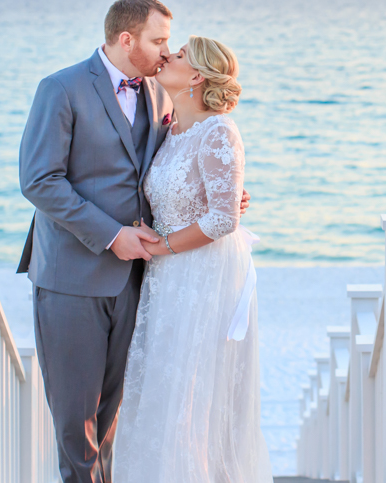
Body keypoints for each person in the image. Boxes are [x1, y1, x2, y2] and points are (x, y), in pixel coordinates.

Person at [17, 0, 250, 483]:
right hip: (73, 278)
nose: (166, 53)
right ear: (127, 40)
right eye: (158, 41)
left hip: (141, 282)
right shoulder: (61, 88)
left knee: (113, 425)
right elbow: (40, 181)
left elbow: (176, 165)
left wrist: (225, 194)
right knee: (74, 426)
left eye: (170, 44)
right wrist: (110, 235)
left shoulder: (161, 93)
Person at [112, 34, 272, 481]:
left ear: (197, 75)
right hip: (167, 277)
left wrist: (159, 246)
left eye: (178, 54)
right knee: (161, 392)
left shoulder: (219, 130)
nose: (167, 55)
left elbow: (223, 219)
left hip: (203, 274)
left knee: (193, 396)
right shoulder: (171, 128)